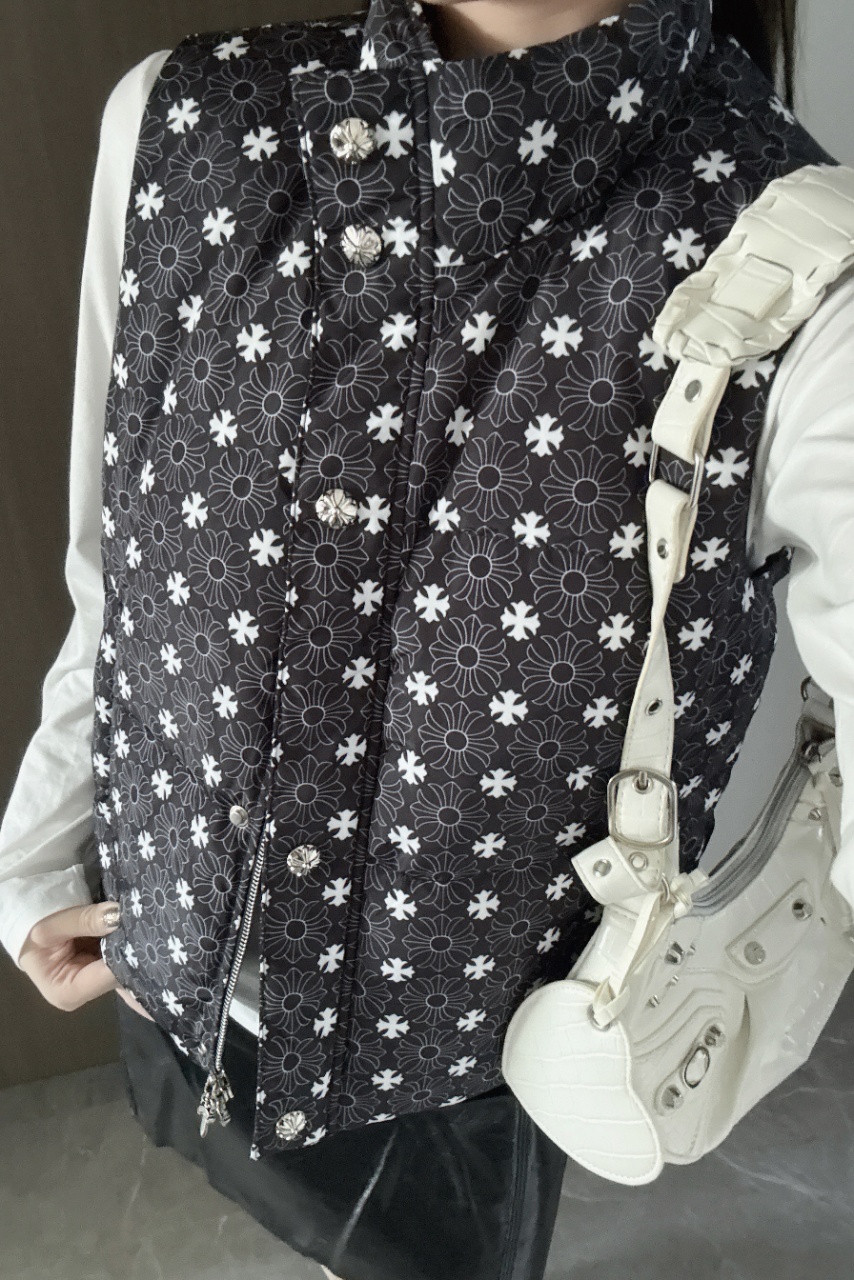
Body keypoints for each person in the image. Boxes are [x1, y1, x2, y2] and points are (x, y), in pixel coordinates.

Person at [3, 1, 854, 1277]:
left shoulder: (797, 261)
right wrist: (36, 845)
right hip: (176, 939)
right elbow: (119, 561)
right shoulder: (183, 120)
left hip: (469, 1045)